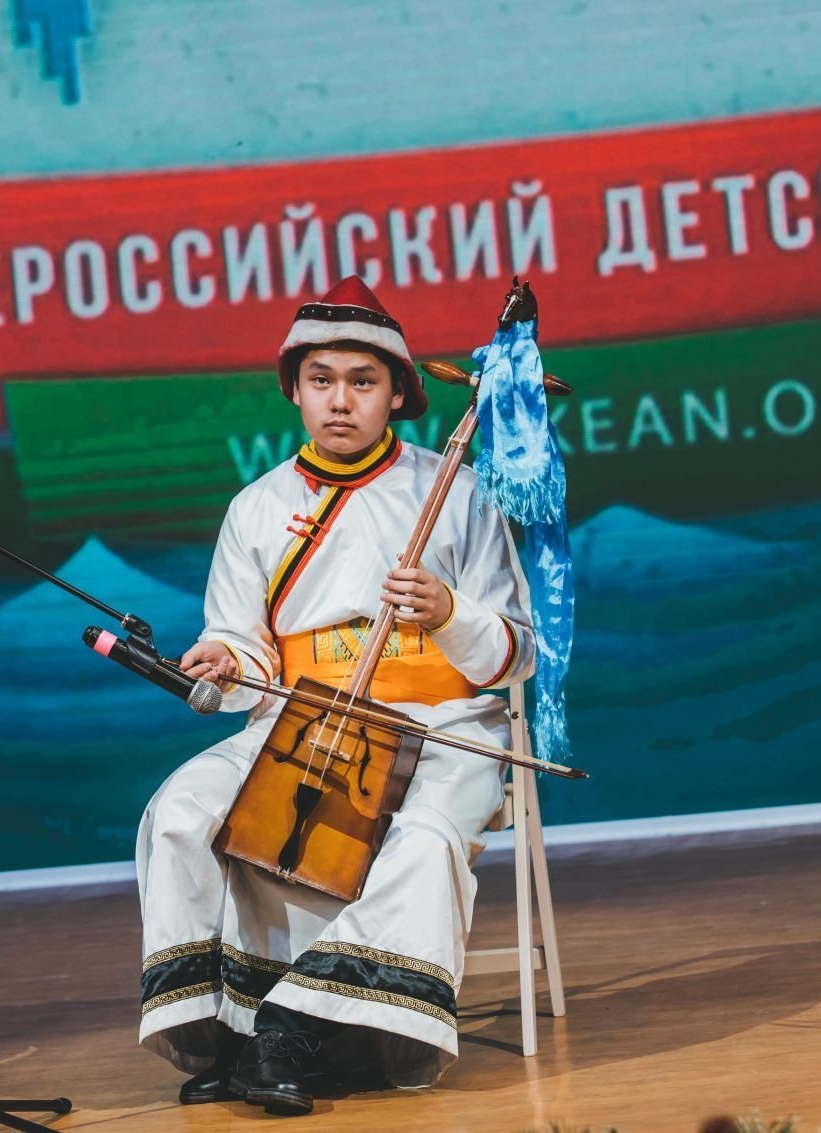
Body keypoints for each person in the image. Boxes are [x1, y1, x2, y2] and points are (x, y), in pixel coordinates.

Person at [135, 276, 536, 1117]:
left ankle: (298, 1027)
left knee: (425, 836)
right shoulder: (256, 507)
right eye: (322, 380)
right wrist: (226, 658)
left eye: (362, 381)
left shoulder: (458, 491)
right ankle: (228, 1034)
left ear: (398, 394)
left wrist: (447, 611)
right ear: (295, 389)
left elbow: (516, 652)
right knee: (181, 809)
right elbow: (248, 650)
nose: (341, 400)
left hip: (443, 724)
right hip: (304, 719)